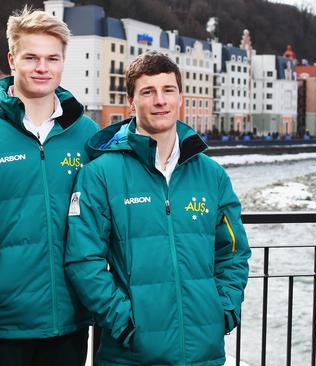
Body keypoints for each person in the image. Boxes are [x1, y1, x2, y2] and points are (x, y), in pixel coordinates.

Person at [65, 51, 251, 365]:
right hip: (131, 354)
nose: (160, 101)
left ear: (181, 98)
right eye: (148, 92)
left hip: (203, 352)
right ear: (131, 101)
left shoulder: (211, 174)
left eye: (168, 90)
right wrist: (123, 322)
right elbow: (83, 260)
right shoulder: (101, 173)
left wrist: (225, 309)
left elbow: (233, 251)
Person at [0, 6, 98, 366]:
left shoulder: (86, 134)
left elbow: (100, 218)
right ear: (12, 59)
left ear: (62, 63)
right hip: (2, 322)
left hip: (71, 317)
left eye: (52, 58)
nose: (42, 67)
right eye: (31, 57)